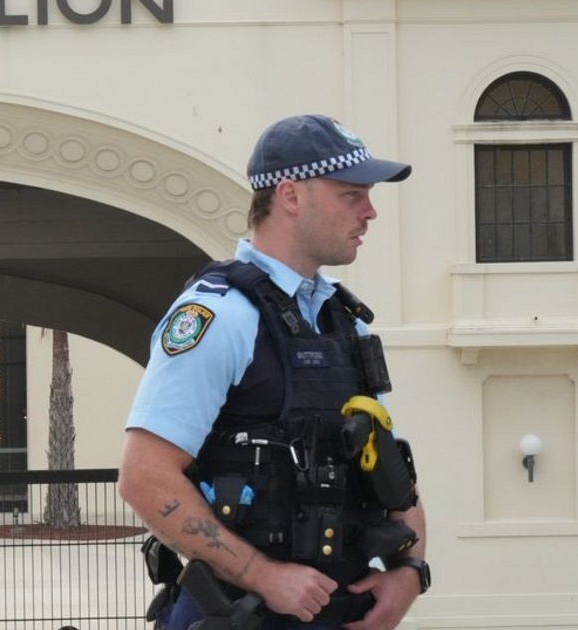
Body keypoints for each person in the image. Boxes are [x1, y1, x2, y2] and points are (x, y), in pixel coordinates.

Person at [119, 114, 429, 630]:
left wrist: (411, 572)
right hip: (240, 615)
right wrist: (263, 575)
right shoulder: (220, 317)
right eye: (351, 194)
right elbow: (144, 477)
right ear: (290, 195)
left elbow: (388, 464)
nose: (370, 211)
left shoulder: (343, 323)